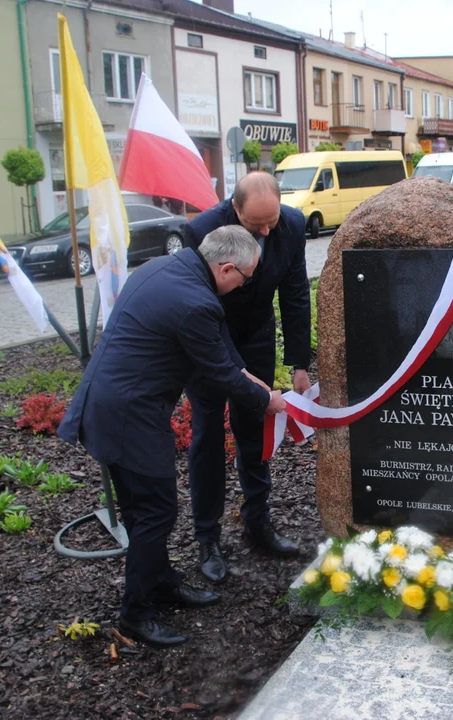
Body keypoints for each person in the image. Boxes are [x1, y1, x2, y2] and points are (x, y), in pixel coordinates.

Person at [58, 226, 286, 647]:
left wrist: (260, 385)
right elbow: (219, 373)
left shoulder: (167, 269)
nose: (244, 286)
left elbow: (224, 354)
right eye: (245, 278)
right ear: (227, 268)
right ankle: (136, 615)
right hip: (128, 415)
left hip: (110, 404)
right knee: (156, 512)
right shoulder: (196, 301)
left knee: (142, 509)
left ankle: (160, 582)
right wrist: (268, 400)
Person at [182, 171, 311, 583]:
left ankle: (258, 522)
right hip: (209, 340)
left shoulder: (290, 224)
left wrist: (300, 364)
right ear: (234, 209)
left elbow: (294, 295)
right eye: (256, 225)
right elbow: (197, 300)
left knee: (255, 431)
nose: (267, 230)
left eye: (271, 220)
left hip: (256, 337)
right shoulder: (202, 230)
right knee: (207, 436)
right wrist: (229, 368)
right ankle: (208, 539)